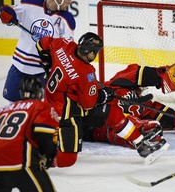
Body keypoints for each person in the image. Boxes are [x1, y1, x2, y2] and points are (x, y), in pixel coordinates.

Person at [35, 32, 116, 167]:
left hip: (47, 102)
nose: (95, 55)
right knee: (69, 159)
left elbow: (40, 43)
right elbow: (88, 104)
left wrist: (49, 63)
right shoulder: (86, 73)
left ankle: (47, 140)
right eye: (95, 52)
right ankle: (40, 162)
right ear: (89, 51)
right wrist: (102, 96)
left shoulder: (64, 44)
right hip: (65, 115)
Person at [83, 63, 175, 152]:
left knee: (127, 125)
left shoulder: (144, 106)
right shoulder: (117, 84)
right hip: (90, 114)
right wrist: (158, 76)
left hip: (105, 125)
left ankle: (140, 135)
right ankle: (139, 132)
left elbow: (160, 114)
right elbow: (135, 72)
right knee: (120, 124)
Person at [0, 0, 76, 103]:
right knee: (11, 105)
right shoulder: (30, 4)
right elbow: (6, 15)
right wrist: (5, 14)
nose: (70, 1)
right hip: (19, 66)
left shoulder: (66, 19)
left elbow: (67, 48)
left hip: (43, 72)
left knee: (41, 110)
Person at [0, 77, 59, 192]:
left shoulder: (0, 111)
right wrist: (49, 156)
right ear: (40, 93)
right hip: (20, 160)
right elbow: (45, 134)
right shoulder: (40, 107)